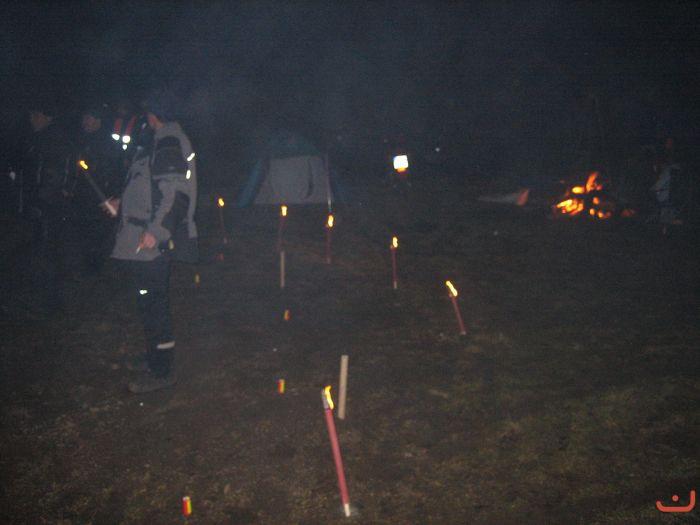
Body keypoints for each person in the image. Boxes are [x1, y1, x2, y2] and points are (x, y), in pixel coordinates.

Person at [107, 91, 198, 393]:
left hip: (152, 243)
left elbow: (176, 195)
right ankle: (153, 356)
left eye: (148, 114)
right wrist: (122, 204)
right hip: (140, 240)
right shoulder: (157, 142)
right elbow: (149, 189)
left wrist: (156, 232)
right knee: (147, 303)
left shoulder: (168, 140)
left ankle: (162, 370)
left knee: (155, 305)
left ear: (154, 115)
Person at [21, 99, 71, 315]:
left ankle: (49, 304)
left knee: (46, 253)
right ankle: (43, 301)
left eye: (37, 115)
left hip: (47, 207)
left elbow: (53, 174)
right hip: (38, 205)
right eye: (31, 115)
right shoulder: (37, 139)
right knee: (39, 252)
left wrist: (42, 202)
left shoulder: (52, 140)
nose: (32, 119)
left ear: (47, 117)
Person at [68, 103, 123, 276]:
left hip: (100, 198)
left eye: (89, 118)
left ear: (98, 121)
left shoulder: (109, 145)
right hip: (81, 197)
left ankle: (94, 270)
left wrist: (111, 196)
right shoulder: (80, 141)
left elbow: (116, 173)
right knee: (82, 234)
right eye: (84, 118)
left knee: (96, 237)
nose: (84, 122)